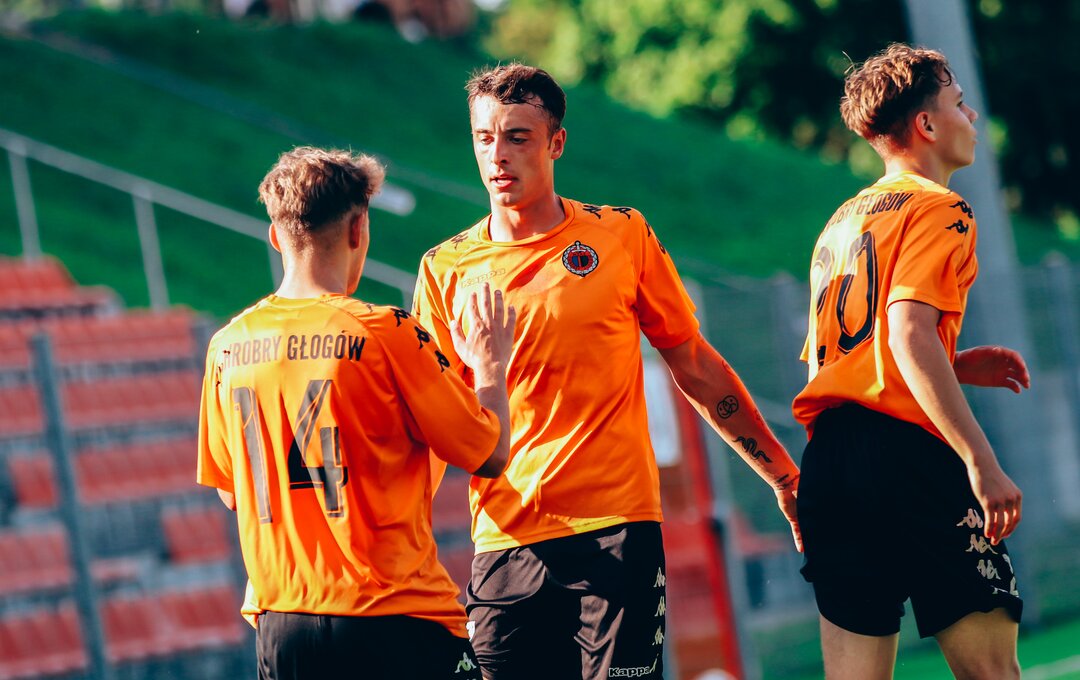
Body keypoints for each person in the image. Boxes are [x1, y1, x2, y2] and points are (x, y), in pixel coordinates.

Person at [413, 63, 802, 679]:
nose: (498, 155)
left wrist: (781, 475)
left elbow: (695, 365)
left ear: (556, 143)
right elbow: (436, 421)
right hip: (505, 539)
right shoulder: (445, 269)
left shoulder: (620, 234)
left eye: (518, 137)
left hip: (617, 533)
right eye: (484, 138)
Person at [196, 146, 516, 680]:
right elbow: (490, 453)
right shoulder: (386, 332)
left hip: (283, 626)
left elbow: (232, 491)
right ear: (358, 229)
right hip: (393, 619)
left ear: (275, 236)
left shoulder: (226, 346)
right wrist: (490, 367)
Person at [792, 44, 1028, 679]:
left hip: (831, 464)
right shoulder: (941, 208)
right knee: (993, 673)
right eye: (959, 104)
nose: (971, 116)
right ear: (926, 124)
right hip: (906, 457)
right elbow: (905, 331)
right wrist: (981, 461)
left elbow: (840, 358)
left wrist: (955, 361)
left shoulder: (840, 222)